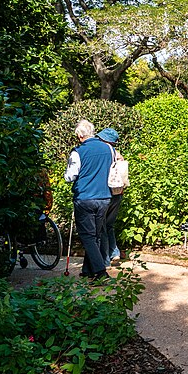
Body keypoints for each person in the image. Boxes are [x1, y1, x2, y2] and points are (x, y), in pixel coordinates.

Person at [64, 119, 112, 280]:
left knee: (87, 236)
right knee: (96, 235)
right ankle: (87, 270)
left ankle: (100, 272)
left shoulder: (78, 151)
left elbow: (70, 176)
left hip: (85, 197)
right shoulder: (108, 148)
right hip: (104, 197)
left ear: (79, 135)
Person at [97, 127, 125, 267]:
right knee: (110, 225)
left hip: (105, 193)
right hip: (118, 193)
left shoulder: (103, 153)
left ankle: (105, 260)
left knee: (101, 226)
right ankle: (115, 253)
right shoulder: (118, 154)